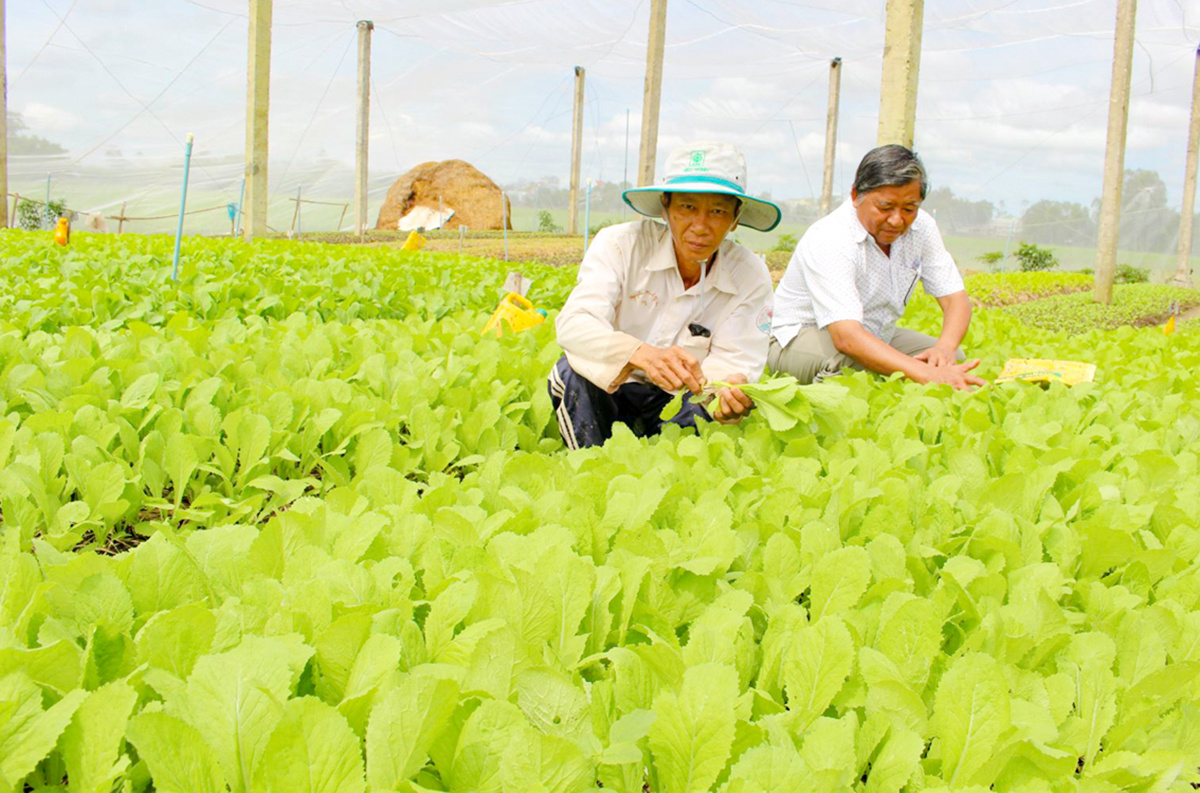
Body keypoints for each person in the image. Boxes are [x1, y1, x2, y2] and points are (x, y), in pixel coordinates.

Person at [548, 141, 781, 449]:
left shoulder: (749, 275)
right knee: (571, 372)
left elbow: (735, 360)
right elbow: (575, 324)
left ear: (736, 218)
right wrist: (640, 355)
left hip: (680, 401)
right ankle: (587, 466)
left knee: (705, 414)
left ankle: (669, 471)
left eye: (717, 211)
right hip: (614, 385)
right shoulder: (620, 245)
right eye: (687, 207)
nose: (700, 226)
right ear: (665, 208)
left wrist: (726, 393)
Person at [770, 144, 986, 391]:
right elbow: (846, 337)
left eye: (909, 208)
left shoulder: (923, 228)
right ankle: (827, 410)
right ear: (855, 196)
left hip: (873, 334)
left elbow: (955, 299)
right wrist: (923, 373)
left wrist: (944, 350)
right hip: (796, 339)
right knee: (846, 362)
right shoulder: (831, 237)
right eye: (884, 207)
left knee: (950, 360)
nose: (897, 220)